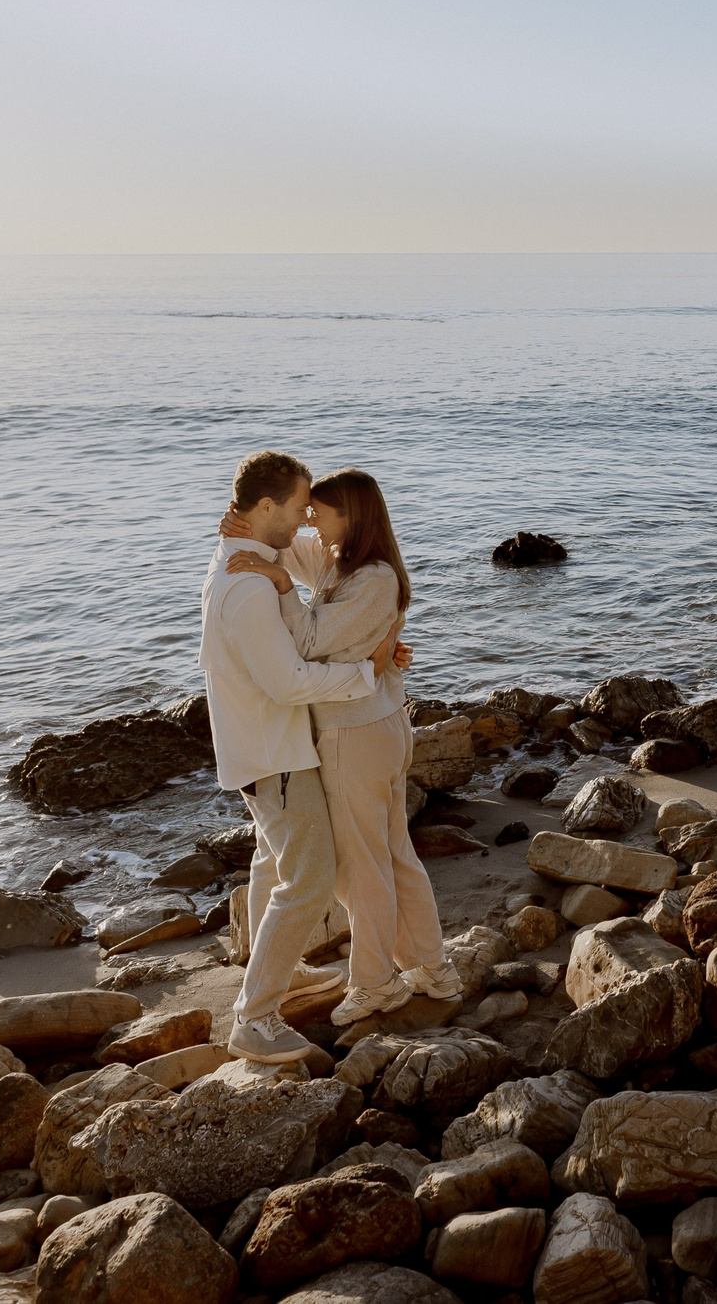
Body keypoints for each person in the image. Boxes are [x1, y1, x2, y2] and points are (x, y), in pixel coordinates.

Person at [224, 465, 458, 1024]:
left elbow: (305, 640)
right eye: (306, 511)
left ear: (351, 517)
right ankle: (432, 967)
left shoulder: (374, 580)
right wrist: (250, 529)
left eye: (320, 512)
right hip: (373, 726)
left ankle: (376, 981)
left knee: (362, 866)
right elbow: (284, 546)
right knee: (394, 855)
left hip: (357, 734)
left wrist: (281, 589)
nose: (309, 520)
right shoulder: (339, 560)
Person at [199, 450, 381, 1063]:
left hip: (256, 744)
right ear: (266, 507)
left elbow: (295, 563)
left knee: (272, 863)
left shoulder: (246, 556)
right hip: (274, 750)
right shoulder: (250, 584)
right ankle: (254, 1016)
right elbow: (289, 682)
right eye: (300, 504)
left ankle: (279, 964)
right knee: (308, 879)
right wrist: (365, 672)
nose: (308, 516)